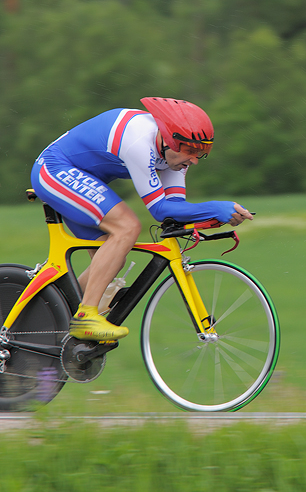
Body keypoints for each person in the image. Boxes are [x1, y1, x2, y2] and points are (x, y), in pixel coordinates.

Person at [31, 97, 253, 341]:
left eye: (201, 153)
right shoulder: (139, 141)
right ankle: (86, 317)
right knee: (127, 228)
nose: (194, 160)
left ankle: (52, 315)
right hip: (54, 169)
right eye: (190, 151)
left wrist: (213, 217)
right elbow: (159, 210)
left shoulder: (175, 157)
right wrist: (213, 207)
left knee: (113, 258)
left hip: (83, 178)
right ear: (169, 140)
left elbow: (175, 207)